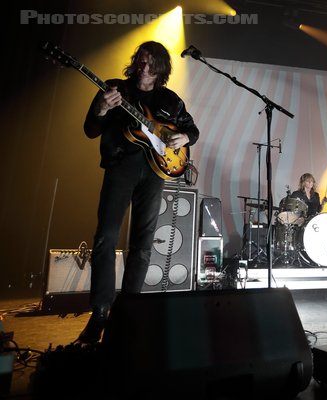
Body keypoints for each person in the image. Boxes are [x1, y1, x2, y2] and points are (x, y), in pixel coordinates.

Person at [77, 41, 200, 343]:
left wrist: (184, 137)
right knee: (106, 237)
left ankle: (128, 308)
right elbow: (90, 129)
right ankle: (101, 310)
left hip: (155, 172)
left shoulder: (170, 100)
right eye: (141, 61)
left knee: (143, 244)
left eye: (150, 62)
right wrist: (102, 107)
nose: (144, 67)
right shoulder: (116, 88)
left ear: (161, 68)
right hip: (121, 166)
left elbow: (191, 130)